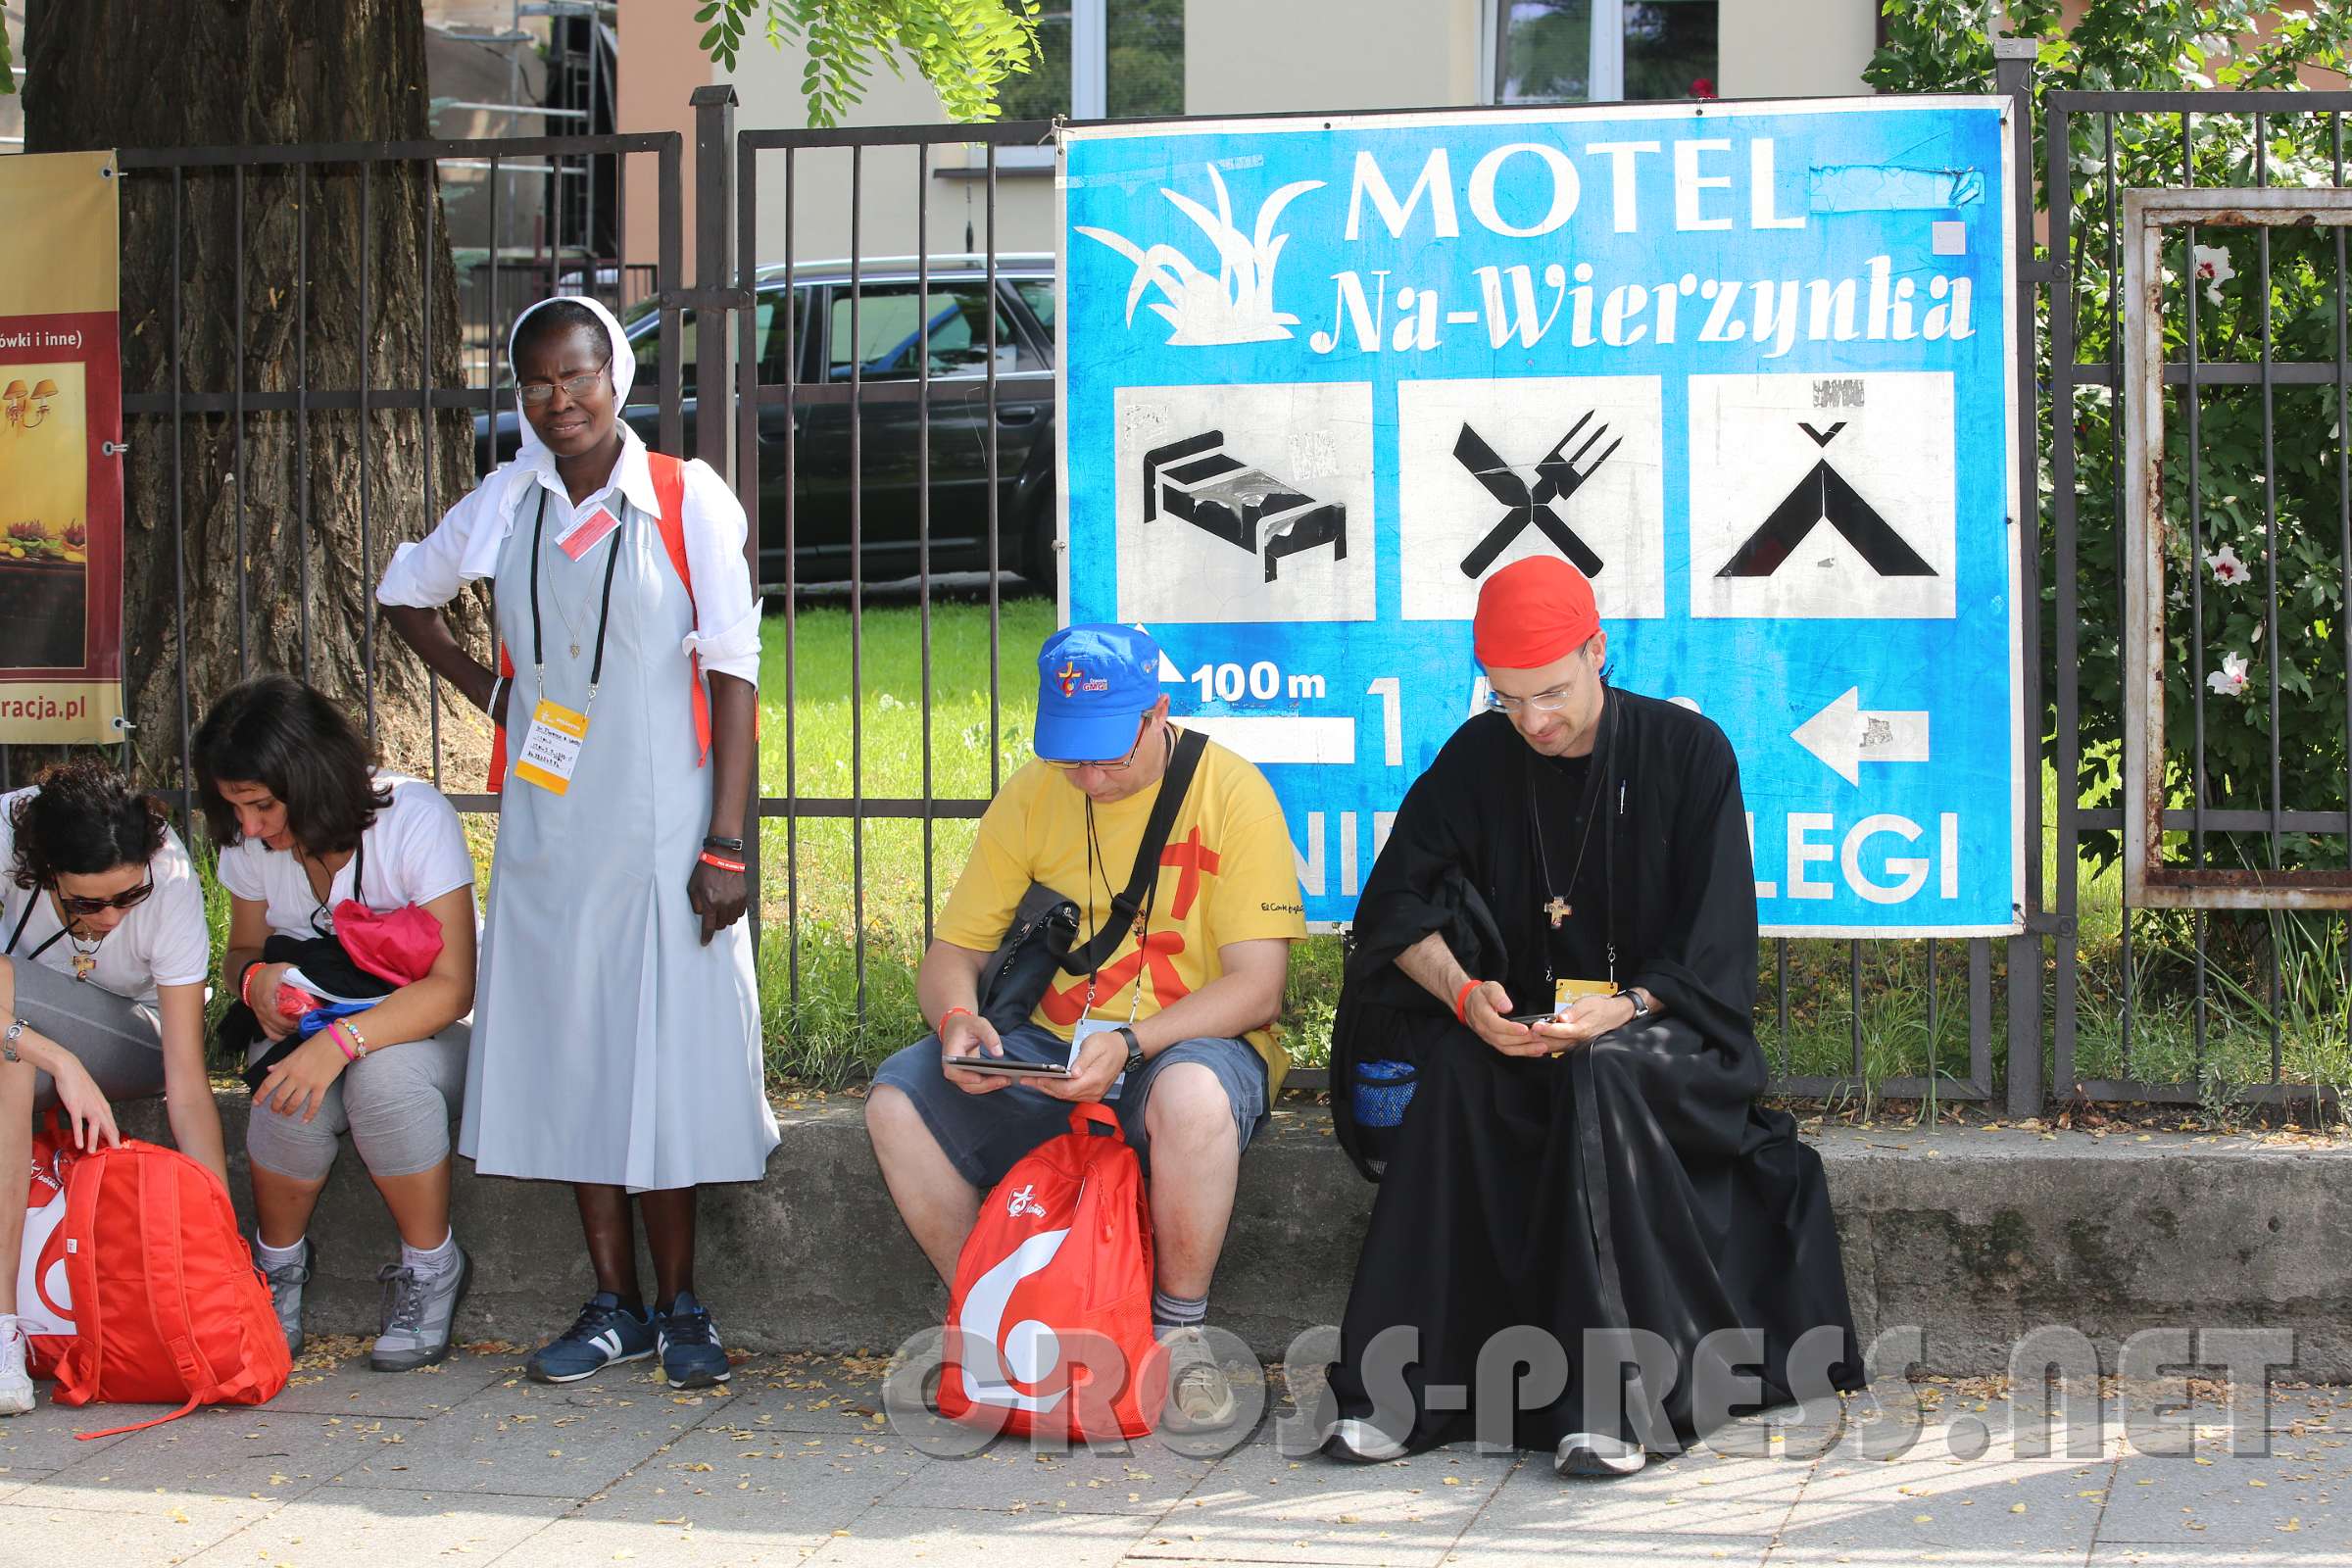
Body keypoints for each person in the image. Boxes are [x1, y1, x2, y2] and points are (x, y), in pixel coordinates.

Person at [1321, 556, 1865, 1477]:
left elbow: (1716, 948)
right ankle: (1398, 1394)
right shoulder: (1478, 757)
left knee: (1601, 1072)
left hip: (1666, 1035)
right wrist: (1466, 998)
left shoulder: (1688, 752)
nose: (1534, 721)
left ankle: (1613, 1407)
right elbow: (1393, 911)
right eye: (1508, 699)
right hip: (1530, 1033)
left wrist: (1626, 1007)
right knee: (1456, 1068)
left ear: (1596, 653)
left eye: (1551, 693)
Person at [377, 295, 775, 1391]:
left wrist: (726, 843)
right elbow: (405, 593)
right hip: (553, 830)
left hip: (667, 830)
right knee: (577, 1055)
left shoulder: (684, 497)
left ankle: (683, 1302)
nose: (559, 400)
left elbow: (734, 673)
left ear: (618, 379)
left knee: (664, 1058)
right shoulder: (508, 500)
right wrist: (492, 693)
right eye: (537, 382)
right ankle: (615, 1306)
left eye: (578, 375)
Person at [866, 623, 1306, 1433]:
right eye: (1072, 758)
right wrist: (959, 1020)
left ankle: (1177, 1338)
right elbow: (951, 955)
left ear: (1157, 714)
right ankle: (1000, 1317)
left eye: (1108, 755)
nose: (1092, 779)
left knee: (1192, 1098)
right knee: (898, 1100)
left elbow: (1258, 989)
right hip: (1051, 1048)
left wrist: (1133, 1043)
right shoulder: (1035, 791)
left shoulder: (1232, 792)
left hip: (1188, 1045)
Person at [195, 674, 480, 1371]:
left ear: (311, 775)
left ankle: (431, 1266)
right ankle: (277, 1270)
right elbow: (241, 950)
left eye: (264, 805)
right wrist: (255, 982)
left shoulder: (413, 816)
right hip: (314, 1023)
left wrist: (339, 1044)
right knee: (285, 1096)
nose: (251, 827)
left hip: (429, 1030)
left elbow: (452, 989)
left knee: (384, 1082)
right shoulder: (249, 840)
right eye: (236, 808)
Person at [0, 759, 226, 1414]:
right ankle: (5, 1330)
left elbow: (186, 1081)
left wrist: (222, 1244)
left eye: (128, 897)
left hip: (134, 1038)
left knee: (7, 993)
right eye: (87, 903)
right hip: (27, 1041)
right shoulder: (7, 831)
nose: (111, 918)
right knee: (10, 1058)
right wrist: (56, 1059)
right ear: (43, 872)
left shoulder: (169, 876)